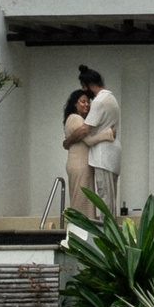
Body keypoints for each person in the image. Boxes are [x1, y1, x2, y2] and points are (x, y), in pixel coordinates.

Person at [80, 64, 122, 209]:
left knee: (104, 197)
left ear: (90, 85)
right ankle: (110, 222)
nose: (83, 91)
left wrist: (70, 138)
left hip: (102, 155)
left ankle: (106, 224)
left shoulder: (99, 101)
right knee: (111, 197)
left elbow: (85, 129)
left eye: (84, 87)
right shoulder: (111, 98)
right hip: (112, 152)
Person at [61, 87, 96, 216]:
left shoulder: (73, 119)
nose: (87, 104)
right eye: (83, 101)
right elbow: (89, 140)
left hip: (79, 163)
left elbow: (68, 142)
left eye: (88, 102)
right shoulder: (76, 118)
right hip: (80, 163)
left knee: (82, 198)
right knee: (82, 200)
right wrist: (108, 134)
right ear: (75, 103)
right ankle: (80, 226)